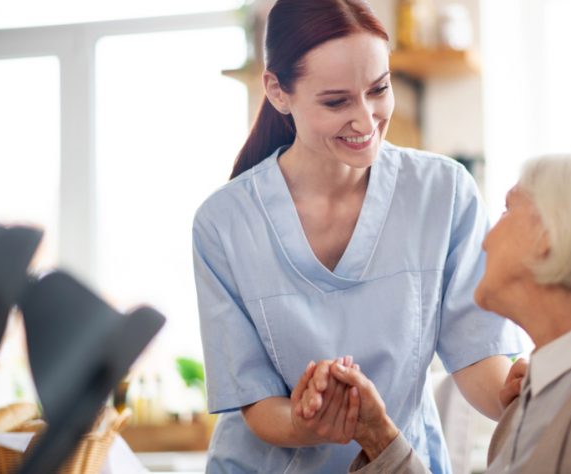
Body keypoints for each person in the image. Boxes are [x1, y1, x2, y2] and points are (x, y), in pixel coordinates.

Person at [191, 0, 522, 472]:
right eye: (336, 102)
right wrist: (308, 420)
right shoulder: (223, 222)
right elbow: (255, 402)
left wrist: (519, 393)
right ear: (278, 92)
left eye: (379, 89)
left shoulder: (443, 193)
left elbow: (477, 355)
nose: (367, 121)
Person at [315, 154, 571, 473]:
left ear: (547, 239)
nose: (485, 239)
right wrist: (377, 435)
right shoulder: (534, 393)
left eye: (507, 211)